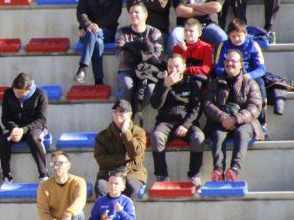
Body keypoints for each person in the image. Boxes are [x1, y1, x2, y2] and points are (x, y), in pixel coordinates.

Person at [204, 49, 263, 182]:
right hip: (221, 122)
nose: (229, 63)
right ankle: (218, 171)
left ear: (241, 64)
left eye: (233, 61)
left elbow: (255, 107)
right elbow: (207, 104)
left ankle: (234, 170)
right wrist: (223, 118)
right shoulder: (215, 83)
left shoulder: (251, 84)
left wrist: (236, 119)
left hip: (244, 122)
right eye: (227, 61)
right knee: (218, 135)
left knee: (242, 133)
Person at [150, 54, 205, 187]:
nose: (173, 69)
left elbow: (197, 108)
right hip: (165, 122)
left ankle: (194, 174)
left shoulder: (192, 82)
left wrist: (186, 125)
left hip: (186, 123)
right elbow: (155, 105)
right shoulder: (161, 82)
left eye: (176, 66)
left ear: (184, 67)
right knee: (156, 137)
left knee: (199, 137)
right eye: (170, 66)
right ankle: (162, 175)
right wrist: (165, 86)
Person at [74, 0, 123, 85]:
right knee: (97, 41)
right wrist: (87, 25)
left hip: (107, 31)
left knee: (94, 33)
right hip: (89, 30)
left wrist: (93, 26)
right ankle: (98, 80)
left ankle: (82, 68)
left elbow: (112, 17)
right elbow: (81, 12)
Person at [213, 19, 267, 126]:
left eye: (239, 36)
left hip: (248, 76)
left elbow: (261, 69)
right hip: (228, 75)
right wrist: (228, 73)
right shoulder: (223, 46)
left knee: (260, 84)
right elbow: (217, 67)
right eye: (233, 36)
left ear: (245, 34)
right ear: (229, 35)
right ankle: (219, 120)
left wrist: (248, 75)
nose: (237, 39)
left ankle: (262, 122)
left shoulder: (253, 45)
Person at [115, 3, 164, 118]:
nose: (133, 15)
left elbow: (158, 57)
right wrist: (145, 51)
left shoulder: (154, 32)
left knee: (151, 89)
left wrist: (132, 48)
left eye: (137, 12)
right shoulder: (122, 31)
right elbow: (120, 55)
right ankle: (124, 115)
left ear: (145, 15)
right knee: (127, 85)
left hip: (148, 71)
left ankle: (135, 110)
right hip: (127, 69)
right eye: (131, 12)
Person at [35, 150, 86, 220]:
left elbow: (80, 200)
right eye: (53, 164)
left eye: (59, 163)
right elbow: (43, 213)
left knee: (78, 213)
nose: (56, 167)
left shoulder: (79, 181)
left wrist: (67, 215)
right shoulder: (44, 186)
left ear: (68, 165)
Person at [0, 72, 49, 182]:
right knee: (3, 139)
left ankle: (44, 174)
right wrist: (14, 128)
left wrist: (24, 130)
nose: (17, 95)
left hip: (35, 128)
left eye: (20, 93)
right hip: (16, 129)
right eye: (15, 91)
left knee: (33, 138)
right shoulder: (8, 94)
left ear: (30, 89)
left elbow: (42, 120)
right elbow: (5, 117)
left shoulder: (40, 94)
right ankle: (6, 176)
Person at [94, 99, 147, 198]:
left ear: (130, 114)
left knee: (132, 187)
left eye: (122, 111)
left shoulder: (139, 132)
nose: (118, 113)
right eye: (115, 111)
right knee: (101, 186)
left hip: (132, 172)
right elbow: (101, 160)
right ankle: (105, 213)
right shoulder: (103, 135)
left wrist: (126, 132)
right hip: (108, 173)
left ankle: (126, 213)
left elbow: (135, 153)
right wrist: (124, 158)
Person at [171, 18, 213, 86]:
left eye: (191, 31)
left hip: (197, 79)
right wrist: (184, 50)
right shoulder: (178, 47)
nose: (187, 33)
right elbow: (175, 67)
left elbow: (206, 68)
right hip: (181, 77)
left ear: (199, 33)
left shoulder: (206, 48)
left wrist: (187, 70)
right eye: (186, 30)